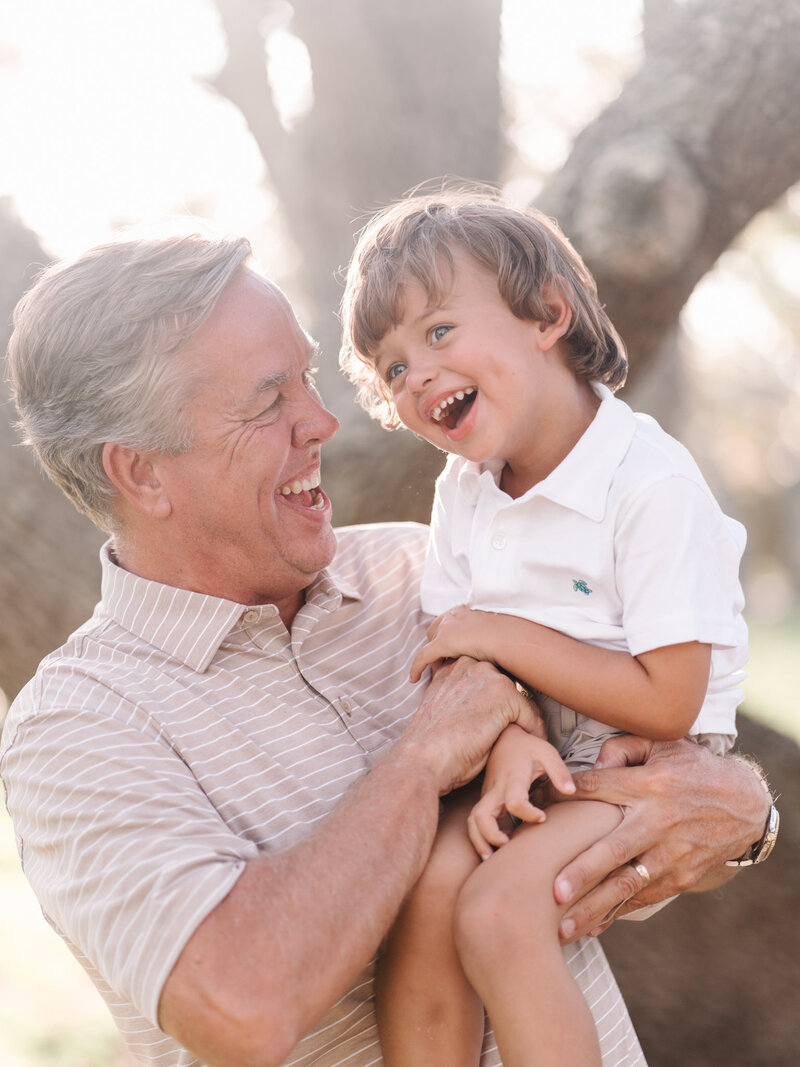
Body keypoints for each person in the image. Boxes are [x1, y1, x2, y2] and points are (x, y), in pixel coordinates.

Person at [0, 228, 776, 1067]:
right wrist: (420, 761)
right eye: (270, 400)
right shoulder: (75, 730)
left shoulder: (428, 570)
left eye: (308, 376)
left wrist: (741, 810)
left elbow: (631, 808)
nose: (324, 419)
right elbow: (242, 1008)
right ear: (142, 473)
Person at [339, 187, 753, 1067]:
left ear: (548, 314)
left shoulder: (646, 486)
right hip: (539, 756)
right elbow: (456, 653)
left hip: (637, 762)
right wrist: (507, 738)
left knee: (496, 914)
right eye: (393, 365)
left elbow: (668, 701)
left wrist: (501, 635)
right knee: (427, 888)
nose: (417, 375)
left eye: (439, 332)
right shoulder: (464, 492)